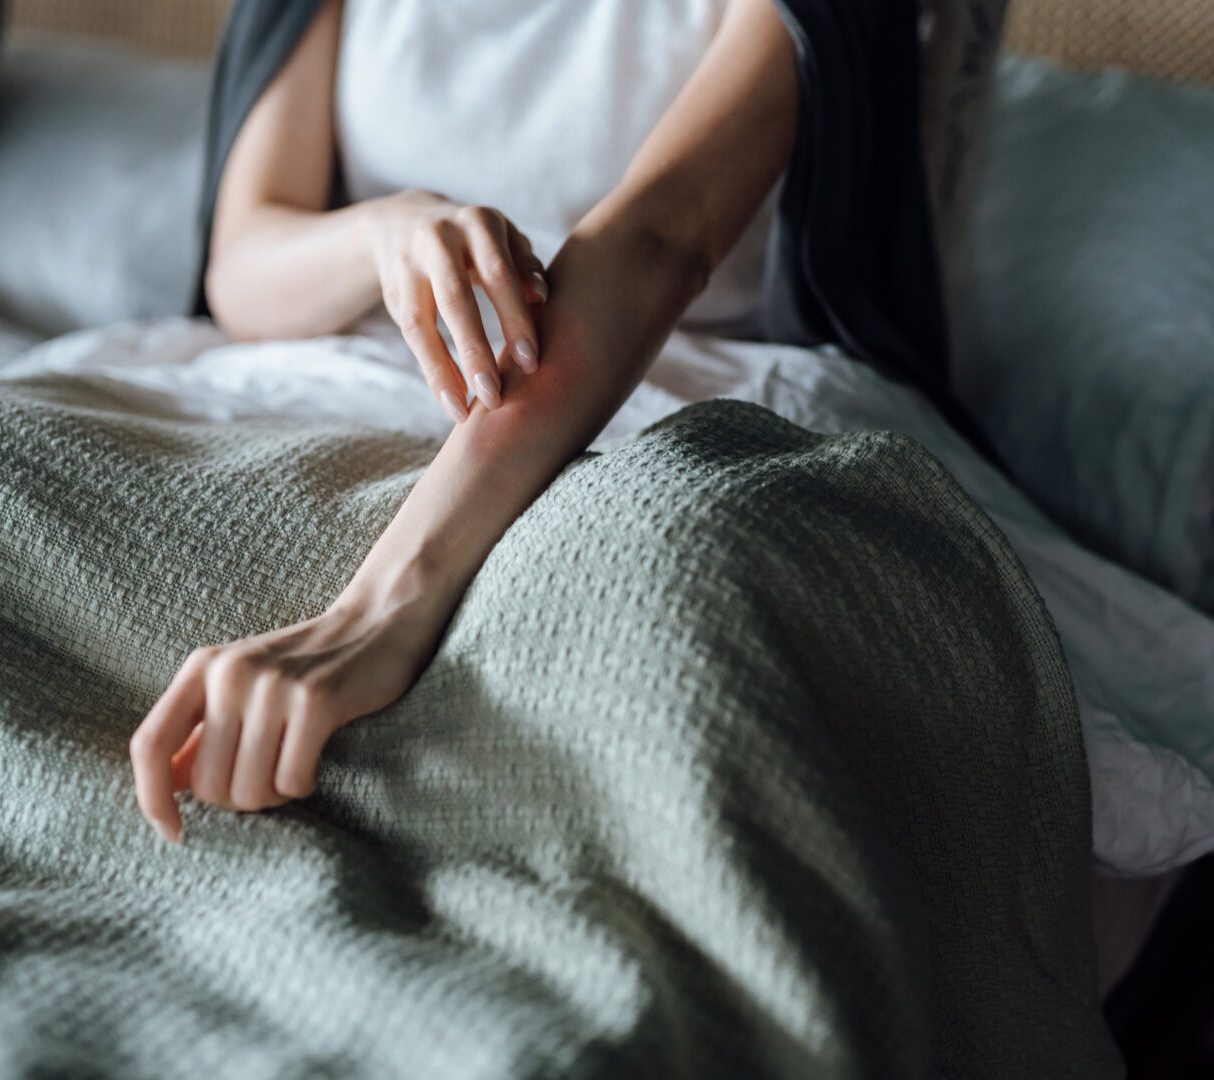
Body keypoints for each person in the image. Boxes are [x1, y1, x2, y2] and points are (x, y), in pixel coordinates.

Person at [130, 0, 943, 842]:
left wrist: (381, 607)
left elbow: (663, 236)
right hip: (328, 370)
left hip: (667, 376)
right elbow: (242, 262)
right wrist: (382, 234)